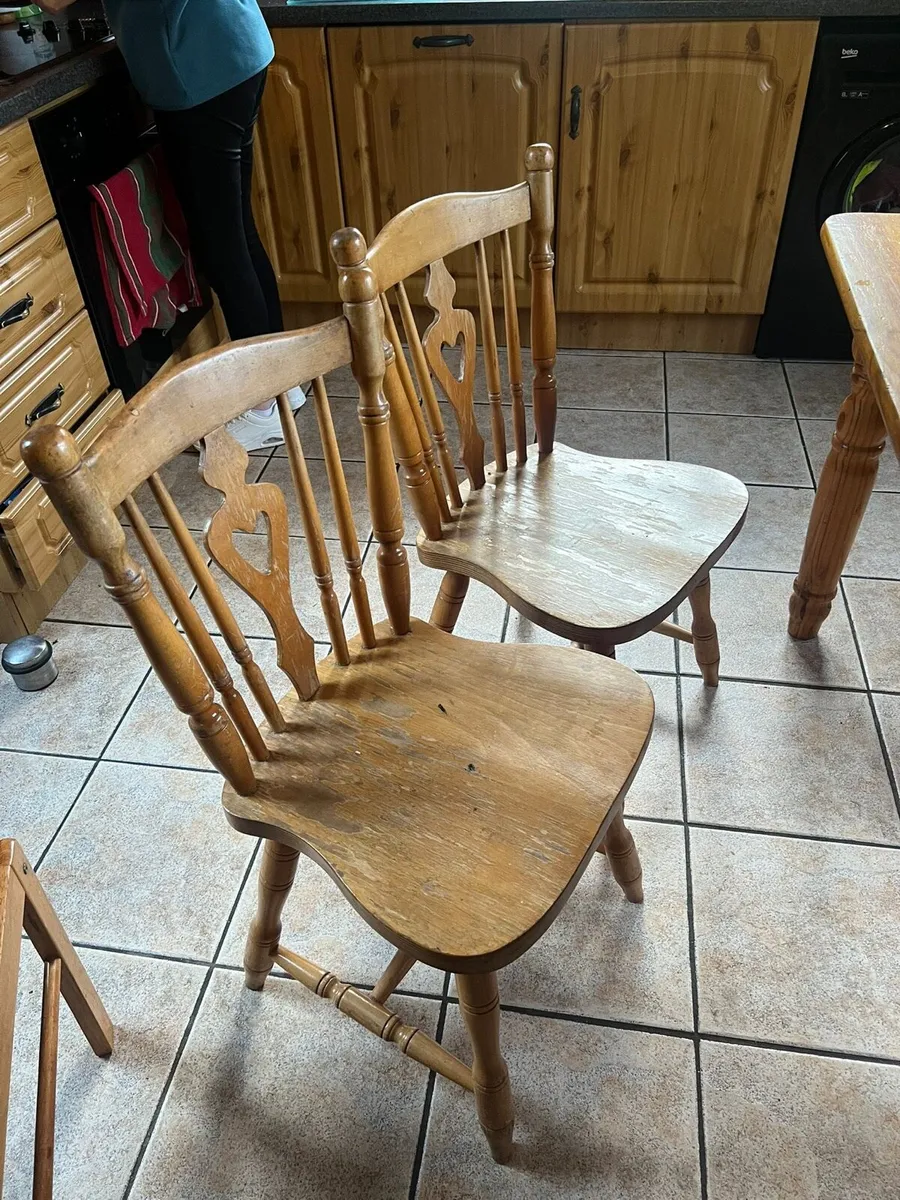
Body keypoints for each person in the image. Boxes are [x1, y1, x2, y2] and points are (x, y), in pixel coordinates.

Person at [39, 0, 303, 450]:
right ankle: (282, 383)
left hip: (198, 68)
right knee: (237, 231)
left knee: (223, 247)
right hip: (233, 47)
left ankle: (263, 407)